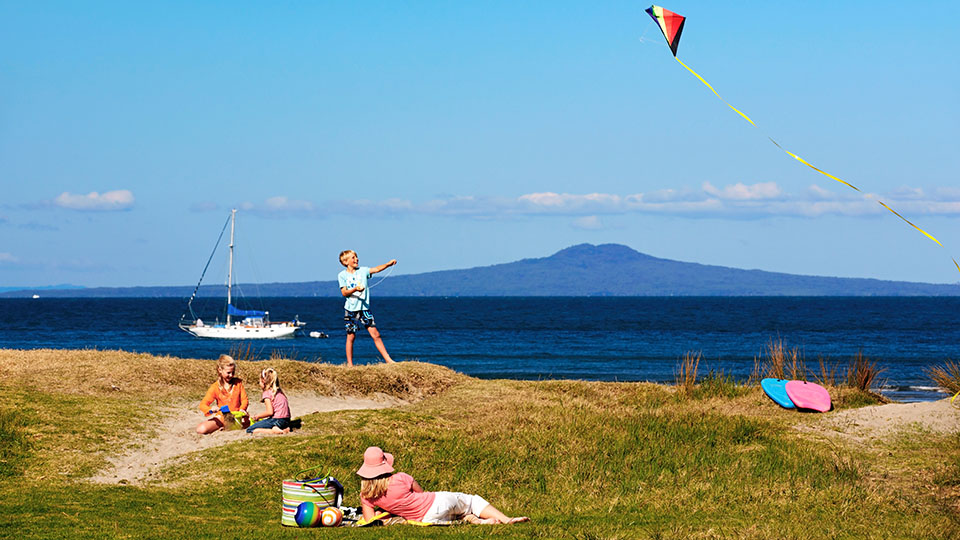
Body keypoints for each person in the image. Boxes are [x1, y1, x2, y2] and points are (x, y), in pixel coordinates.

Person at [356, 446, 529, 525]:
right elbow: (421, 492)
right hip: (436, 503)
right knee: (471, 501)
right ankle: (507, 520)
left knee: (459, 514)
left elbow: (369, 520)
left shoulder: (366, 496)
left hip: (426, 519)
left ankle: (479, 522)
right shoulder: (401, 478)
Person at [337, 250, 397, 366]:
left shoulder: (363, 271)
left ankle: (388, 360)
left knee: (376, 334)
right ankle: (350, 364)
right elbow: (344, 292)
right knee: (351, 336)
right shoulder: (342, 275)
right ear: (345, 262)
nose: (356, 259)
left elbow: (376, 269)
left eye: (356, 257)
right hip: (350, 311)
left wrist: (388, 264)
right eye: (353, 258)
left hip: (364, 309)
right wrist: (355, 289)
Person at [196, 354, 250, 434]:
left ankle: (227, 427)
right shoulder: (215, 387)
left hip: (238, 416)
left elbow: (244, 400)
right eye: (228, 373)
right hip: (222, 417)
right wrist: (210, 410)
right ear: (220, 370)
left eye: (233, 372)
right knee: (201, 429)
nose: (231, 375)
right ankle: (225, 426)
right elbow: (203, 404)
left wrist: (242, 409)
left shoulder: (238, 383)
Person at [246, 368, 291, 435]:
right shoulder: (279, 391)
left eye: (260, 381)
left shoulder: (267, 393)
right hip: (286, 420)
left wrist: (257, 417)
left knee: (250, 429)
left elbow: (269, 412)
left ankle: (274, 431)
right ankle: (282, 428)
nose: (259, 383)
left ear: (263, 381)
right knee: (268, 422)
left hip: (277, 420)